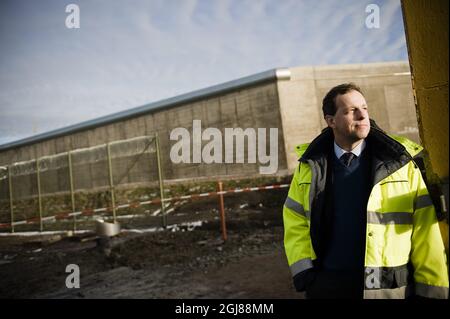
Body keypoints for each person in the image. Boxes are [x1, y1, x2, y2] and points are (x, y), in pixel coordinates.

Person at [283, 83, 449, 299]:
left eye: (365, 108)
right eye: (351, 110)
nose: (363, 116)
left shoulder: (400, 163)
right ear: (331, 120)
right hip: (328, 287)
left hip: (388, 287)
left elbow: (425, 228)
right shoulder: (309, 167)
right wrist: (305, 271)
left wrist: (432, 289)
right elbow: (293, 218)